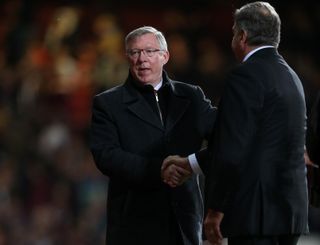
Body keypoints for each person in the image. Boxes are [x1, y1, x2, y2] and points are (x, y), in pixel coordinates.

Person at [162, 2, 309, 245]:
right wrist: (191, 163)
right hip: (289, 213)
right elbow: (258, 144)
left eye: (233, 32)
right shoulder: (291, 77)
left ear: (242, 36)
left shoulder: (245, 75)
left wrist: (216, 210)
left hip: (255, 213)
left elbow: (233, 150)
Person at [89, 26, 216, 245]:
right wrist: (159, 169)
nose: (141, 59)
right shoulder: (108, 104)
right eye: (134, 53)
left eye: (149, 51)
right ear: (127, 58)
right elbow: (106, 156)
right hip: (134, 224)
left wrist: (193, 164)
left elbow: (225, 135)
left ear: (164, 56)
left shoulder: (191, 96)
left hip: (184, 223)